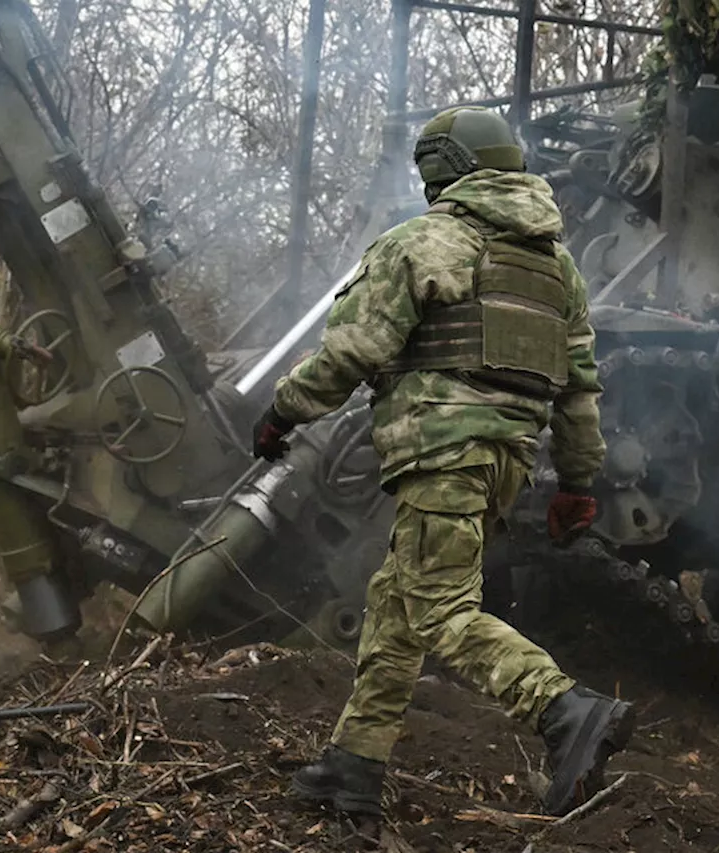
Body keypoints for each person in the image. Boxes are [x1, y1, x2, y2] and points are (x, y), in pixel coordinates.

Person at [251, 105, 633, 818]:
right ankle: (353, 766)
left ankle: (562, 708)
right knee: (398, 605)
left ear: (443, 172)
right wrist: (578, 482)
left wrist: (283, 411)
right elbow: (580, 391)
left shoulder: (427, 242)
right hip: (505, 462)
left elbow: (352, 351)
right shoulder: (558, 271)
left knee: (442, 611)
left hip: (440, 449)